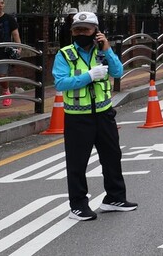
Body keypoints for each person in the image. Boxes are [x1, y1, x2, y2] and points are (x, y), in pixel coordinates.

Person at [53, 12, 136, 221]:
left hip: (104, 114)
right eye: (77, 30)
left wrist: (107, 48)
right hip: (77, 117)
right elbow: (60, 83)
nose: (81, 33)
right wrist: (87, 76)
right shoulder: (65, 54)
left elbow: (117, 72)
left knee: (112, 156)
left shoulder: (102, 51)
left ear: (96, 32)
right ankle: (78, 205)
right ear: (71, 32)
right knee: (77, 163)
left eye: (86, 29)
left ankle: (115, 198)